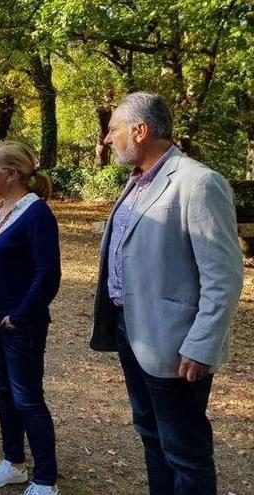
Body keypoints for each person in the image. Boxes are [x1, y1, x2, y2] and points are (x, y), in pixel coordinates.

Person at [91, 92, 244, 494]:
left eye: (113, 129)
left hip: (176, 345)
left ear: (140, 131)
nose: (108, 139)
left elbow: (224, 276)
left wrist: (202, 344)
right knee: (151, 436)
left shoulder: (199, 183)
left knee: (185, 451)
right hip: (133, 332)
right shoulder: (136, 183)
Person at [0, 142, 61, 495]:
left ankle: (46, 480)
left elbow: (47, 275)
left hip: (20, 327)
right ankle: (14, 463)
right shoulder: (1, 208)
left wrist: (18, 317)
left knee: (27, 398)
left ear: (12, 174)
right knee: (4, 393)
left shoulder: (37, 215)